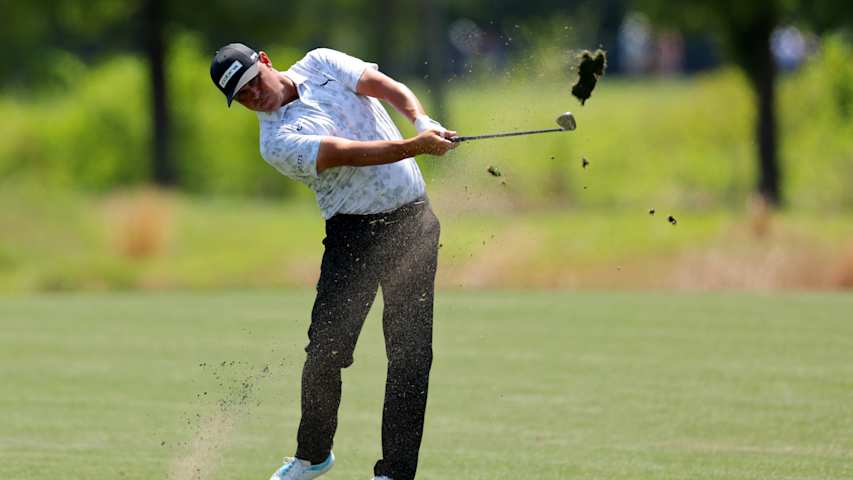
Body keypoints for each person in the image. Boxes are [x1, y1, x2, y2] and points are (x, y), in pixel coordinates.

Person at [210, 43, 457, 480]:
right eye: (242, 97)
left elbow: (382, 86)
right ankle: (313, 456)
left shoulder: (320, 62)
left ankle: (394, 473)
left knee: (410, 355)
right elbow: (347, 153)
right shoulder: (275, 141)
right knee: (326, 354)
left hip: (412, 223)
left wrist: (421, 120)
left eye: (253, 83)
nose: (254, 96)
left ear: (264, 61)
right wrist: (414, 145)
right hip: (353, 236)